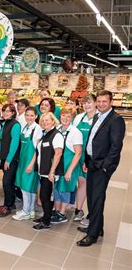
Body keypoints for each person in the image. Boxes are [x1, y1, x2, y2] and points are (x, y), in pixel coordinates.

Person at [77, 90, 125, 247]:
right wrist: (86, 159)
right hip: (92, 162)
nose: (101, 104)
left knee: (97, 198)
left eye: (105, 101)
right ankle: (98, 227)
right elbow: (91, 139)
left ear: (111, 102)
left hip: (102, 165)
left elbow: (116, 147)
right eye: (99, 101)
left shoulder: (116, 120)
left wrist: (105, 167)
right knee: (92, 196)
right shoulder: (97, 116)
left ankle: (93, 234)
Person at [32, 112, 64, 230]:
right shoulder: (46, 134)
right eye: (43, 120)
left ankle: (46, 221)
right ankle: (47, 215)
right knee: (45, 196)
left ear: (53, 121)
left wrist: (52, 171)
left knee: (45, 196)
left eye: (47, 120)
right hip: (43, 170)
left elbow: (58, 154)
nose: (44, 122)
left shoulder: (56, 135)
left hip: (49, 172)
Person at [51, 107, 83, 224]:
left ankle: (62, 213)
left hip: (69, 165)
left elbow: (78, 152)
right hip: (58, 164)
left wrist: (69, 171)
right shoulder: (58, 128)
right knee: (56, 188)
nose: (65, 118)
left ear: (72, 118)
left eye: (68, 116)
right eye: (63, 115)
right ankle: (56, 210)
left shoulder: (75, 132)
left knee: (64, 189)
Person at [13, 107, 42, 220]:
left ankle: (26, 210)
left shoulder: (37, 129)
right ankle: (30, 211)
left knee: (27, 187)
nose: (29, 117)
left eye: (31, 115)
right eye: (27, 115)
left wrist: (31, 164)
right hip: (23, 160)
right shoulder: (25, 127)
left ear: (36, 116)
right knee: (27, 187)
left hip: (30, 162)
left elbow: (37, 150)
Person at [72, 94, 97, 223]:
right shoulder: (78, 118)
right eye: (84, 103)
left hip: (91, 157)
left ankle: (92, 214)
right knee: (81, 182)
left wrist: (89, 160)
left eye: (89, 102)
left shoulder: (99, 119)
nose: (86, 105)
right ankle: (78, 209)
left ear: (95, 103)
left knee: (92, 185)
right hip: (78, 155)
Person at [0, 103, 21, 217]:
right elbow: (2, 141)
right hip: (4, 157)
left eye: (8, 111)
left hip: (12, 159)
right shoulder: (4, 123)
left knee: (6, 182)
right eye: (4, 111)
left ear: (13, 113)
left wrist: (8, 160)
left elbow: (14, 144)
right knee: (8, 182)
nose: (5, 113)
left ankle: (8, 205)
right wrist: (1, 157)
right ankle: (10, 203)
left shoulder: (15, 125)